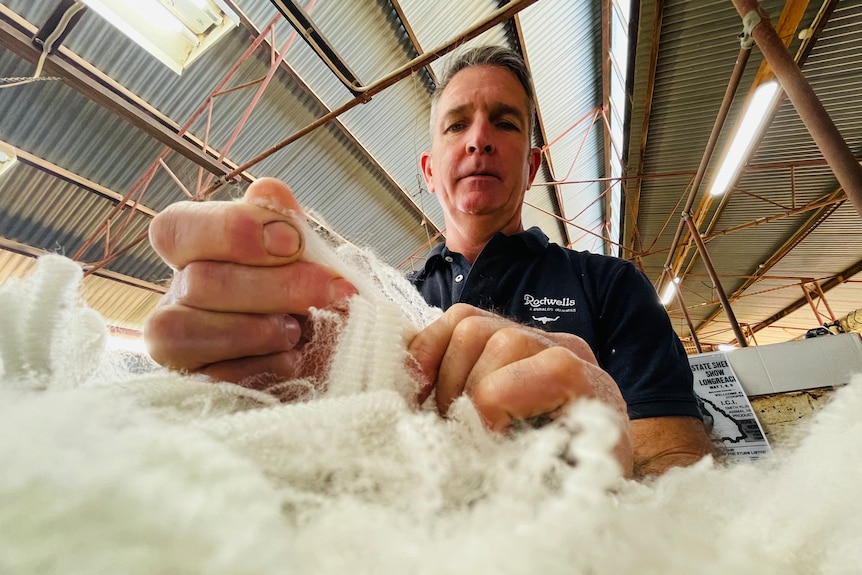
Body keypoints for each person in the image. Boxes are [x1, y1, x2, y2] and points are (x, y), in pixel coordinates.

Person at [144, 46, 713, 479]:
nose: (480, 139)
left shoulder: (609, 285)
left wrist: (605, 448)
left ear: (534, 164)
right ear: (428, 168)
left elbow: (680, 464)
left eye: (505, 122)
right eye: (457, 123)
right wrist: (252, 390)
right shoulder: (377, 308)